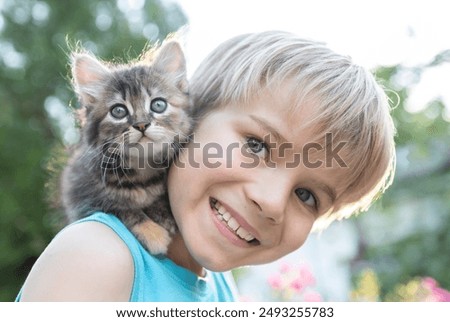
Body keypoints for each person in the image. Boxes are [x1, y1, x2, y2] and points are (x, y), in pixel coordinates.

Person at [17, 31, 395, 301]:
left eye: (306, 195)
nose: (272, 202)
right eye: (256, 145)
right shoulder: (97, 255)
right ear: (191, 116)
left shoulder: (219, 288)